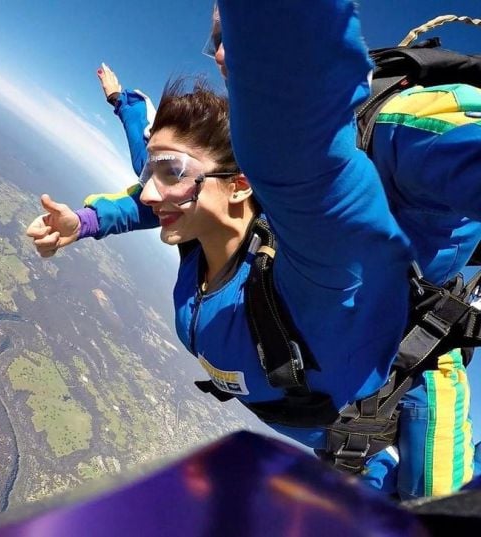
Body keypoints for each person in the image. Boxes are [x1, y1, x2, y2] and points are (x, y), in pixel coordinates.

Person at [27, 0, 481, 499]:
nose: (221, 53)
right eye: (215, 38)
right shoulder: (230, 195)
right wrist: (119, 121)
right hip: (328, 420)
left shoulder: (392, 135)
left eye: (235, 32)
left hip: (402, 382)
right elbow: (160, 174)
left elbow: (307, 170)